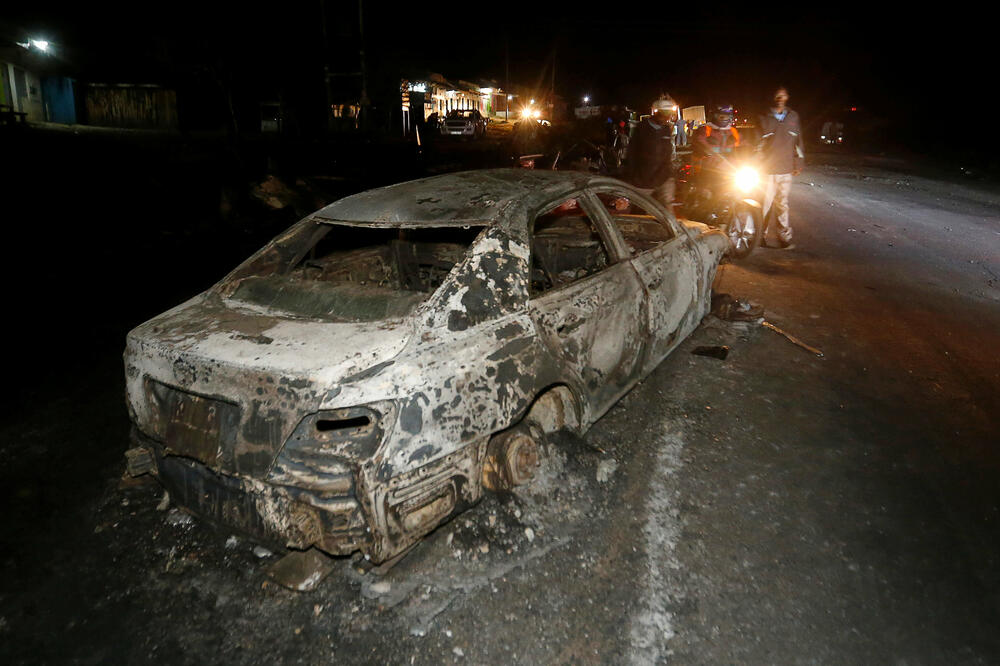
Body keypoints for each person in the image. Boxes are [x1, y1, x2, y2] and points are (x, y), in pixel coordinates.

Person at [757, 87, 804, 249]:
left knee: (782, 205)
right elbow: (757, 144)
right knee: (764, 204)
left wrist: (798, 163)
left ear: (787, 97)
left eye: (783, 94)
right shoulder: (764, 118)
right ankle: (759, 237)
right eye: (777, 94)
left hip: (786, 169)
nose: (780, 97)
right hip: (767, 170)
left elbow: (798, 142)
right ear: (772, 97)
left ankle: (784, 238)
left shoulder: (793, 117)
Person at [623, 96, 677, 207]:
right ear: (656, 113)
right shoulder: (642, 128)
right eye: (664, 115)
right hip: (644, 179)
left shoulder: (666, 129)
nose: (667, 118)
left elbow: (667, 154)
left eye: (668, 115)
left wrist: (666, 172)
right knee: (640, 207)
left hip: (663, 177)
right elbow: (632, 153)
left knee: (667, 208)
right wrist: (633, 176)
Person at [691, 103, 741, 171]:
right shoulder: (705, 129)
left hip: (731, 169)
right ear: (714, 116)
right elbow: (699, 146)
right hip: (709, 169)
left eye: (727, 117)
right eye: (721, 116)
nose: (724, 119)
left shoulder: (733, 131)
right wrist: (707, 154)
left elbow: (739, 147)